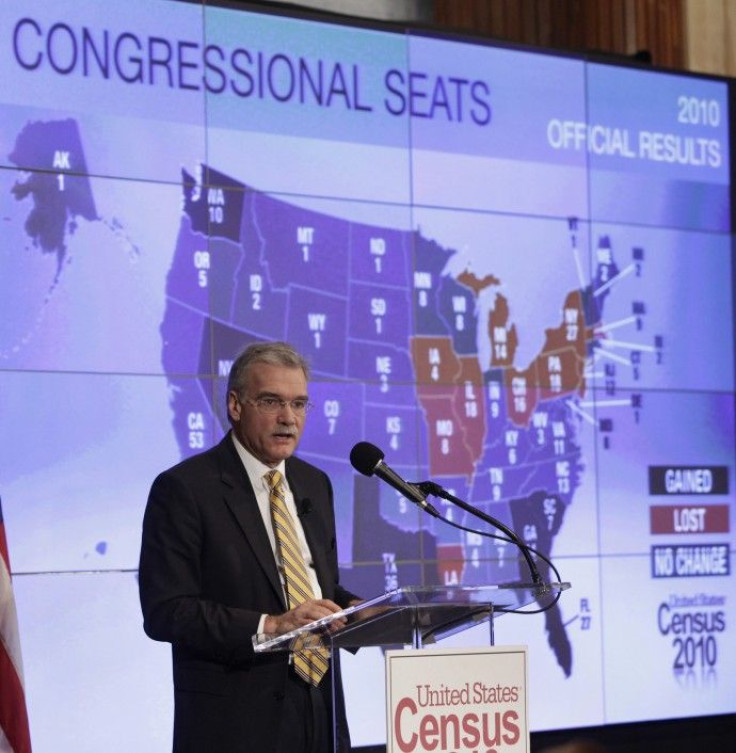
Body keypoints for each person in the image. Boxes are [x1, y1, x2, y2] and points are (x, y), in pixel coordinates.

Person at [138, 341, 361, 753]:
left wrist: (359, 608)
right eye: (271, 401)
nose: (288, 419)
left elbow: (313, 587)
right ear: (236, 406)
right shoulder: (185, 489)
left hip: (321, 712)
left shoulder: (314, 483)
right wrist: (271, 626)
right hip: (236, 724)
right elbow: (166, 612)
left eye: (299, 404)